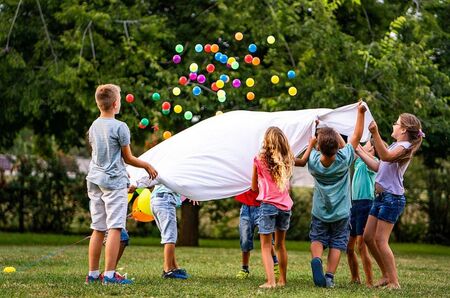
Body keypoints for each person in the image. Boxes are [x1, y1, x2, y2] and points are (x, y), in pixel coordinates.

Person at [85, 84, 157, 285]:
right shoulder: (120, 127)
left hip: (94, 180)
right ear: (116, 104)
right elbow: (128, 158)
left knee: (98, 228)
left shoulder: (94, 126)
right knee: (115, 227)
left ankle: (92, 274)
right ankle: (109, 275)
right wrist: (146, 165)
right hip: (113, 182)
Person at [361, 113, 424, 289]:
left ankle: (394, 281)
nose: (393, 125)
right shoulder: (397, 145)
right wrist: (358, 150)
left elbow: (386, 156)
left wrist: (375, 133)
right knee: (367, 237)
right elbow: (378, 166)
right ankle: (386, 275)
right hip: (381, 198)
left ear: (403, 129)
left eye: (396, 123)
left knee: (381, 240)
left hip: (392, 199)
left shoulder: (403, 147)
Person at [306, 102, 366, 288]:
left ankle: (317, 259)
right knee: (337, 243)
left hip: (320, 211)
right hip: (341, 212)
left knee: (317, 237)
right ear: (337, 148)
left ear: (319, 147)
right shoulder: (344, 159)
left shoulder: (313, 161)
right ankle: (329, 276)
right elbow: (355, 136)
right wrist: (360, 112)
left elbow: (315, 146)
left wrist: (315, 127)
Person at [252, 126, 294, 288]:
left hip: (268, 205)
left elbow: (254, 187)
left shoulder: (258, 159)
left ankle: (271, 281)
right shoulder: (287, 160)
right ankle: (282, 280)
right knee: (280, 245)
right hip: (285, 207)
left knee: (266, 245)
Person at [131, 178, 189, 279]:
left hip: (155, 200)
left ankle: (174, 267)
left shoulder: (163, 166)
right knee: (170, 237)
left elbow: (149, 184)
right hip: (165, 200)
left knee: (168, 235)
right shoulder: (176, 167)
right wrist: (193, 195)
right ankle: (167, 270)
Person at [346, 139, 378, 287]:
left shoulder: (373, 162)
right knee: (349, 247)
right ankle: (355, 278)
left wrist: (362, 149)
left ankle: (370, 281)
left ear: (373, 150)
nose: (362, 145)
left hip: (366, 204)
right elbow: (351, 146)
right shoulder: (358, 162)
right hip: (355, 206)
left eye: (367, 144)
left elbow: (360, 150)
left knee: (361, 245)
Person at [234, 189, 280, 279]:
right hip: (246, 208)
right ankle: (244, 269)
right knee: (244, 239)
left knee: (267, 238)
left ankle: (275, 265)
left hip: (262, 207)